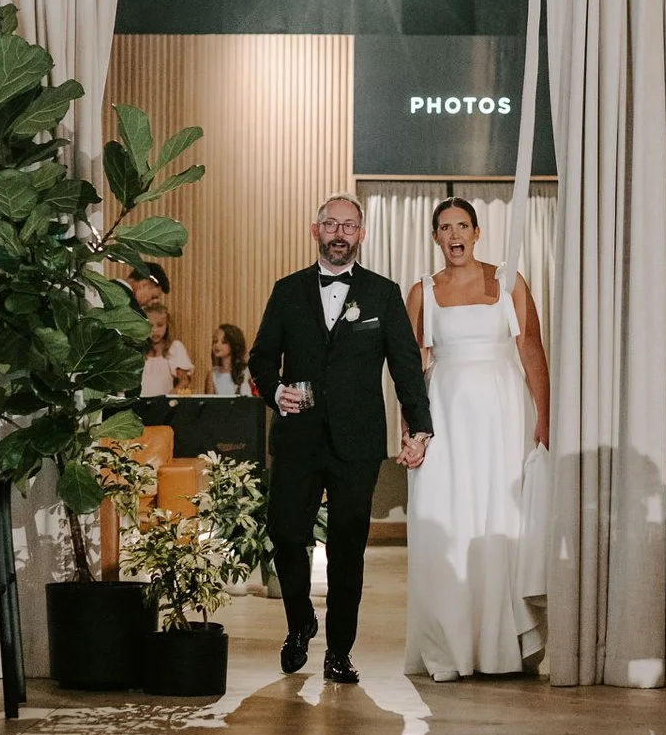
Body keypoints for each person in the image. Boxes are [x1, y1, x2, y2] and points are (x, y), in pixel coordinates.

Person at [249, 192, 433, 685]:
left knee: (348, 549)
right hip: (298, 438)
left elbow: (405, 367)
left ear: (361, 234)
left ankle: (338, 651)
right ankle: (299, 623)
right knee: (286, 534)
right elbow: (261, 359)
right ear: (316, 231)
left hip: (357, 443)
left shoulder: (382, 293)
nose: (339, 234)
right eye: (330, 225)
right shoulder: (287, 291)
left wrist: (420, 425)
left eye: (349, 226)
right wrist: (276, 391)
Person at [404, 197, 550, 683]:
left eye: (462, 225)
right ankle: (453, 644)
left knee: (499, 517)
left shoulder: (509, 281)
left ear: (478, 231)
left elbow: (531, 349)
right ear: (435, 237)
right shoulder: (422, 291)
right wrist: (411, 430)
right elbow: (410, 368)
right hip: (446, 415)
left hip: (503, 416)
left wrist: (545, 417)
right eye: (444, 227)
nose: (454, 234)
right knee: (448, 518)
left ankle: (500, 643)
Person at [140, 303, 194, 397]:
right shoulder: (138, 349)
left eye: (160, 325)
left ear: (167, 325)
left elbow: (184, 380)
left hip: (162, 405)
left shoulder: (174, 348)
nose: (155, 330)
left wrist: (171, 395)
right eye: (150, 326)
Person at [205, 323, 253, 396]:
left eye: (224, 342)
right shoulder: (212, 375)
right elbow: (209, 404)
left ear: (234, 344)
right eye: (215, 341)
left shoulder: (248, 371)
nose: (217, 345)